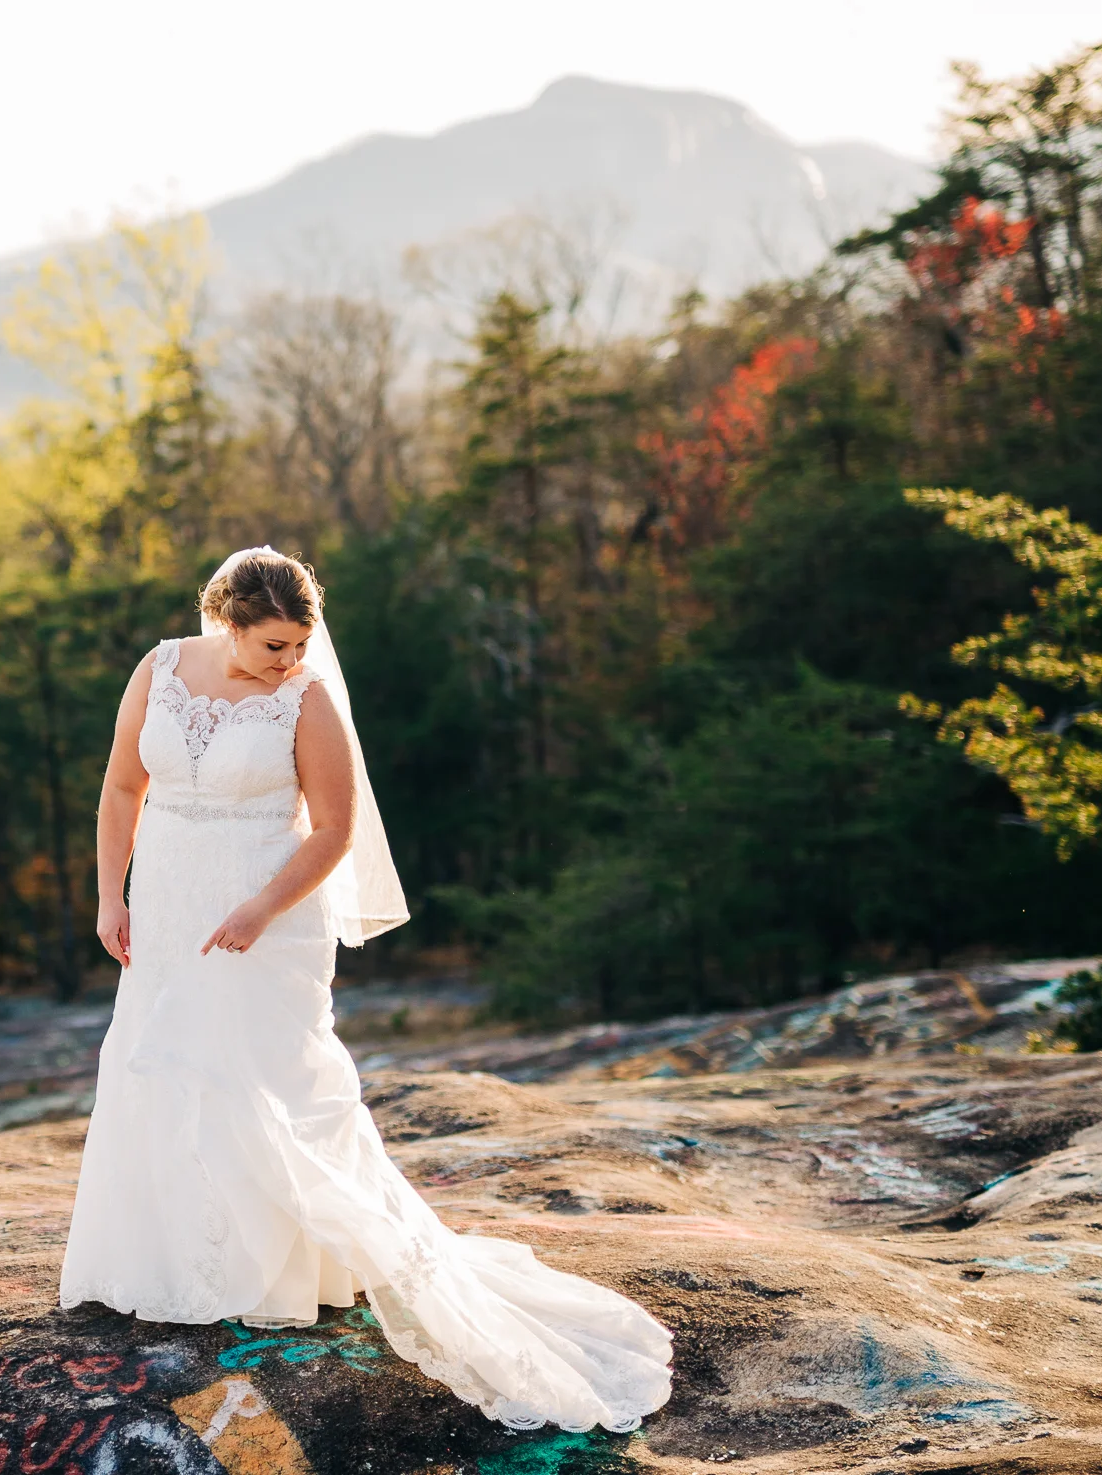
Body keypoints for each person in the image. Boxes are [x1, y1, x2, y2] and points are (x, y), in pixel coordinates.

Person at [58, 546, 672, 1433]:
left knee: (258, 1079)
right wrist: (110, 893)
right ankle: (165, 1264)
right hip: (164, 904)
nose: (289, 660)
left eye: (299, 642)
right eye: (272, 644)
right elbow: (122, 786)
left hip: (264, 913)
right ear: (225, 623)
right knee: (159, 1065)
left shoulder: (307, 699)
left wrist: (261, 908)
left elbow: (336, 827)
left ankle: (274, 1270)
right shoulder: (158, 669)